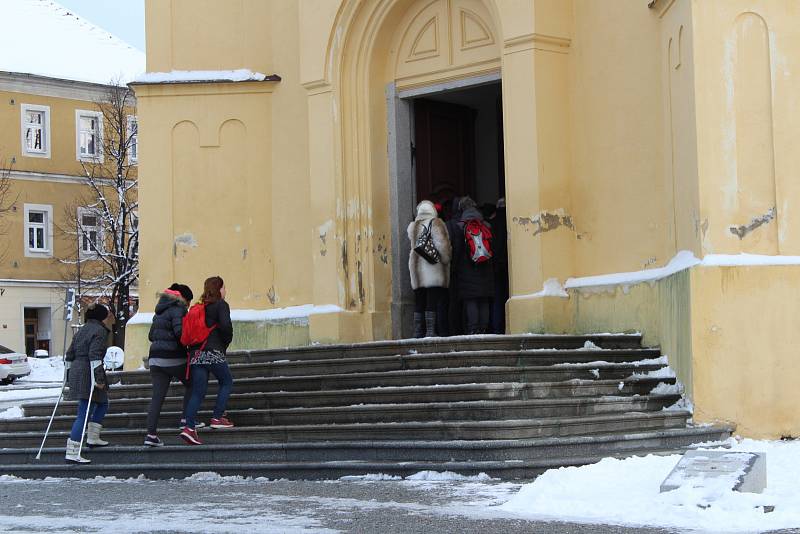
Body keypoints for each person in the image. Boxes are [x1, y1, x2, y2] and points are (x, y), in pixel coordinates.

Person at [180, 276, 234, 445]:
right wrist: (224, 344)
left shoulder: (199, 307)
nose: (225, 291)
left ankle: (189, 428)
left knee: (198, 392)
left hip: (196, 353)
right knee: (226, 382)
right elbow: (226, 327)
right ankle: (217, 417)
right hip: (212, 351)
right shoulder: (221, 305)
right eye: (224, 287)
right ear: (218, 289)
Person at [144, 283, 194, 447]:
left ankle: (151, 435)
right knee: (193, 383)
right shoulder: (178, 309)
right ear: (183, 298)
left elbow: (151, 335)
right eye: (188, 301)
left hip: (155, 360)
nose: (188, 305)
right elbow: (181, 333)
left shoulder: (159, 311)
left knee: (157, 398)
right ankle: (186, 420)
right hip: (174, 357)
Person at [64, 303, 114, 464]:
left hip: (78, 370)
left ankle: (93, 438)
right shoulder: (99, 331)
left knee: (103, 403)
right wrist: (99, 380)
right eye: (107, 315)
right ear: (102, 317)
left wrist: (67, 376)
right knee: (84, 412)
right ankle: (72, 451)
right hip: (89, 372)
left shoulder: (82, 330)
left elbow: (69, 354)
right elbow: (94, 355)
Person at [407, 200, 452, 337]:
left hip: (416, 270)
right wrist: (446, 259)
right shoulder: (436, 223)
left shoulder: (412, 226)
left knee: (419, 300)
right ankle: (431, 331)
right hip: (433, 268)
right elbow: (442, 246)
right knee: (432, 300)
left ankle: (417, 331)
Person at [452, 196, 495, 334]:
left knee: (471, 300)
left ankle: (473, 329)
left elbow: (458, 251)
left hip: (467, 270)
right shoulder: (486, 225)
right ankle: (483, 328)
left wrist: (455, 268)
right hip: (485, 268)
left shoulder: (460, 227)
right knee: (484, 299)